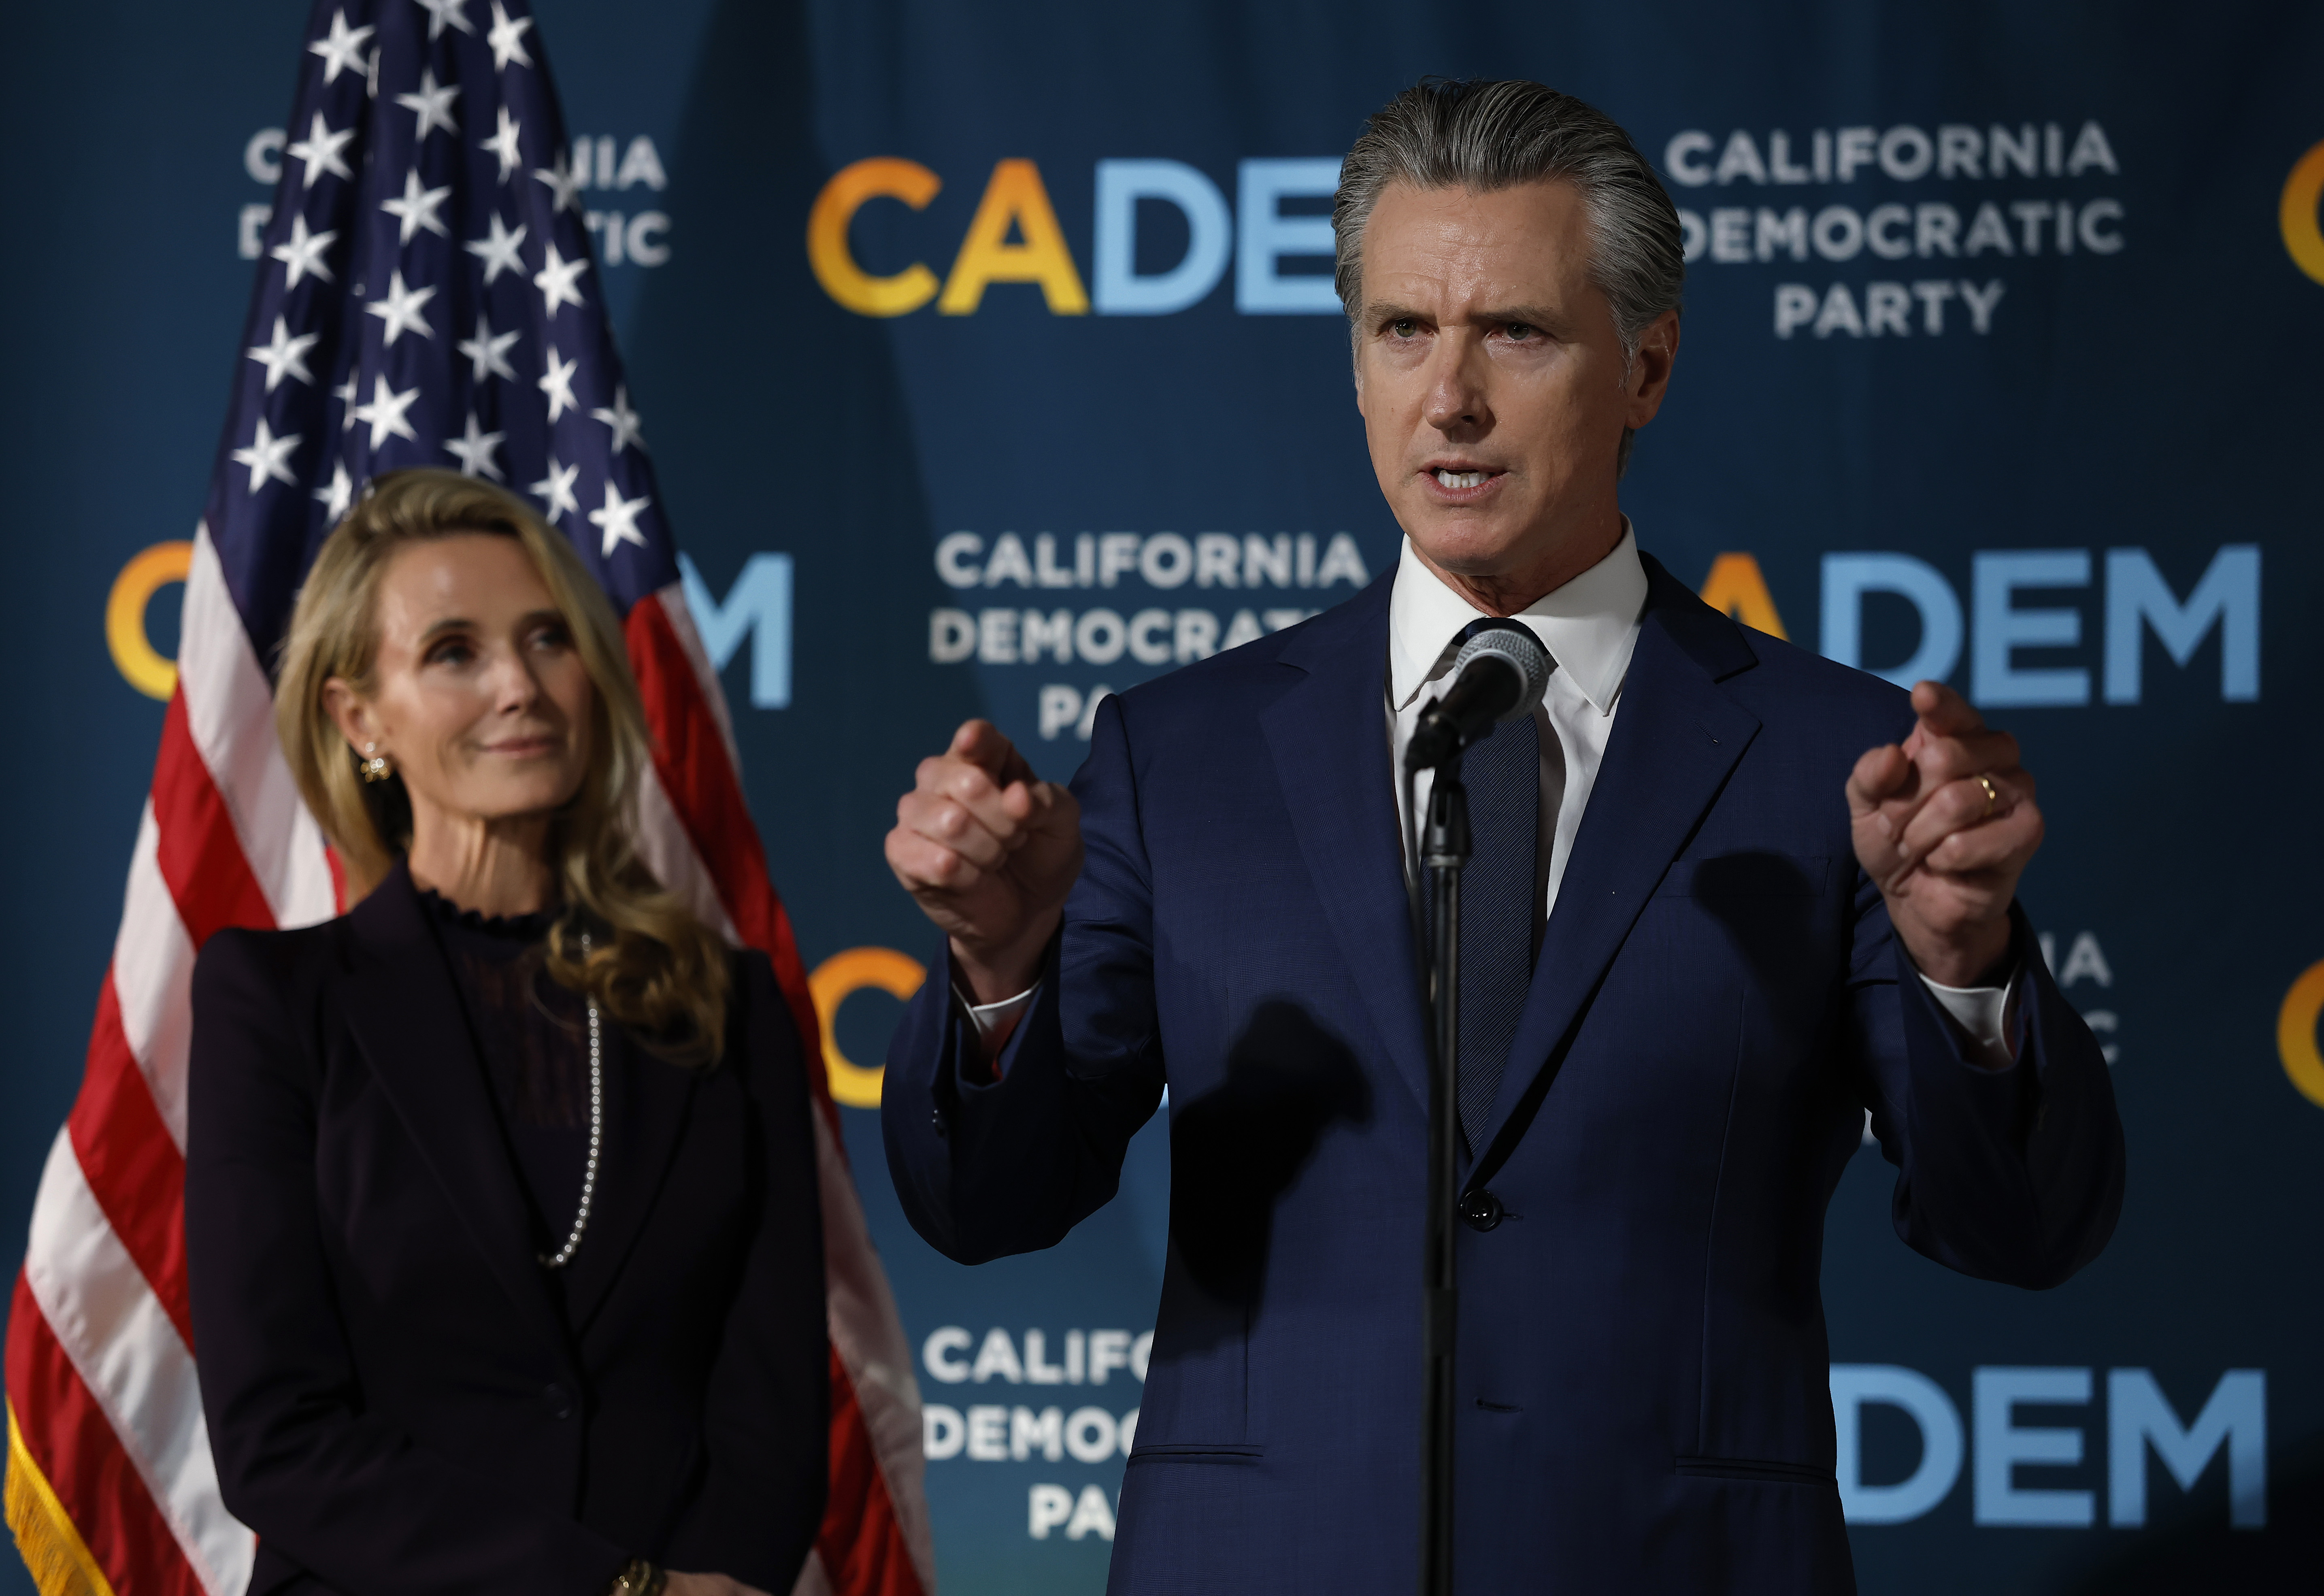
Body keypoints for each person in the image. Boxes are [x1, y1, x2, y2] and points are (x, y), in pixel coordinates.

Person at [881, 80, 2124, 1593]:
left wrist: (1967, 970)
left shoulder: (1836, 761)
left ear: (1647, 365)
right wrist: (999, 974)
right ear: (1353, 364)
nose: (1447, 396)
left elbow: (2024, 1230)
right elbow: (988, 1210)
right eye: (1401, 330)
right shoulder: (1179, 753)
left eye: (1515, 335)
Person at [186, 469, 828, 1596]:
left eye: (547, 639)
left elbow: (771, 1410)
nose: (520, 687)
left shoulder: (727, 1004)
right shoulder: (275, 1003)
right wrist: (618, 1591)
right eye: (453, 652)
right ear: (359, 717)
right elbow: (278, 1436)